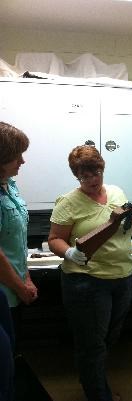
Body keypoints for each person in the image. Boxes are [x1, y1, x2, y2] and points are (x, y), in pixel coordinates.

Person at [48, 144, 132, 401]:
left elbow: (127, 230)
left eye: (96, 173)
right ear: (77, 175)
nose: (92, 180)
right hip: (87, 282)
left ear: (102, 169)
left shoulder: (117, 193)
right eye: (85, 176)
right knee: (92, 345)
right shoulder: (68, 202)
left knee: (108, 337)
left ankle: (94, 383)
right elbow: (54, 239)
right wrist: (69, 253)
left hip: (122, 277)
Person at [0, 122, 38, 335]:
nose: (22, 161)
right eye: (17, 156)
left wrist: (26, 279)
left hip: (15, 289)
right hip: (4, 292)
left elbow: (17, 242)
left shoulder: (10, 184)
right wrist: (20, 287)